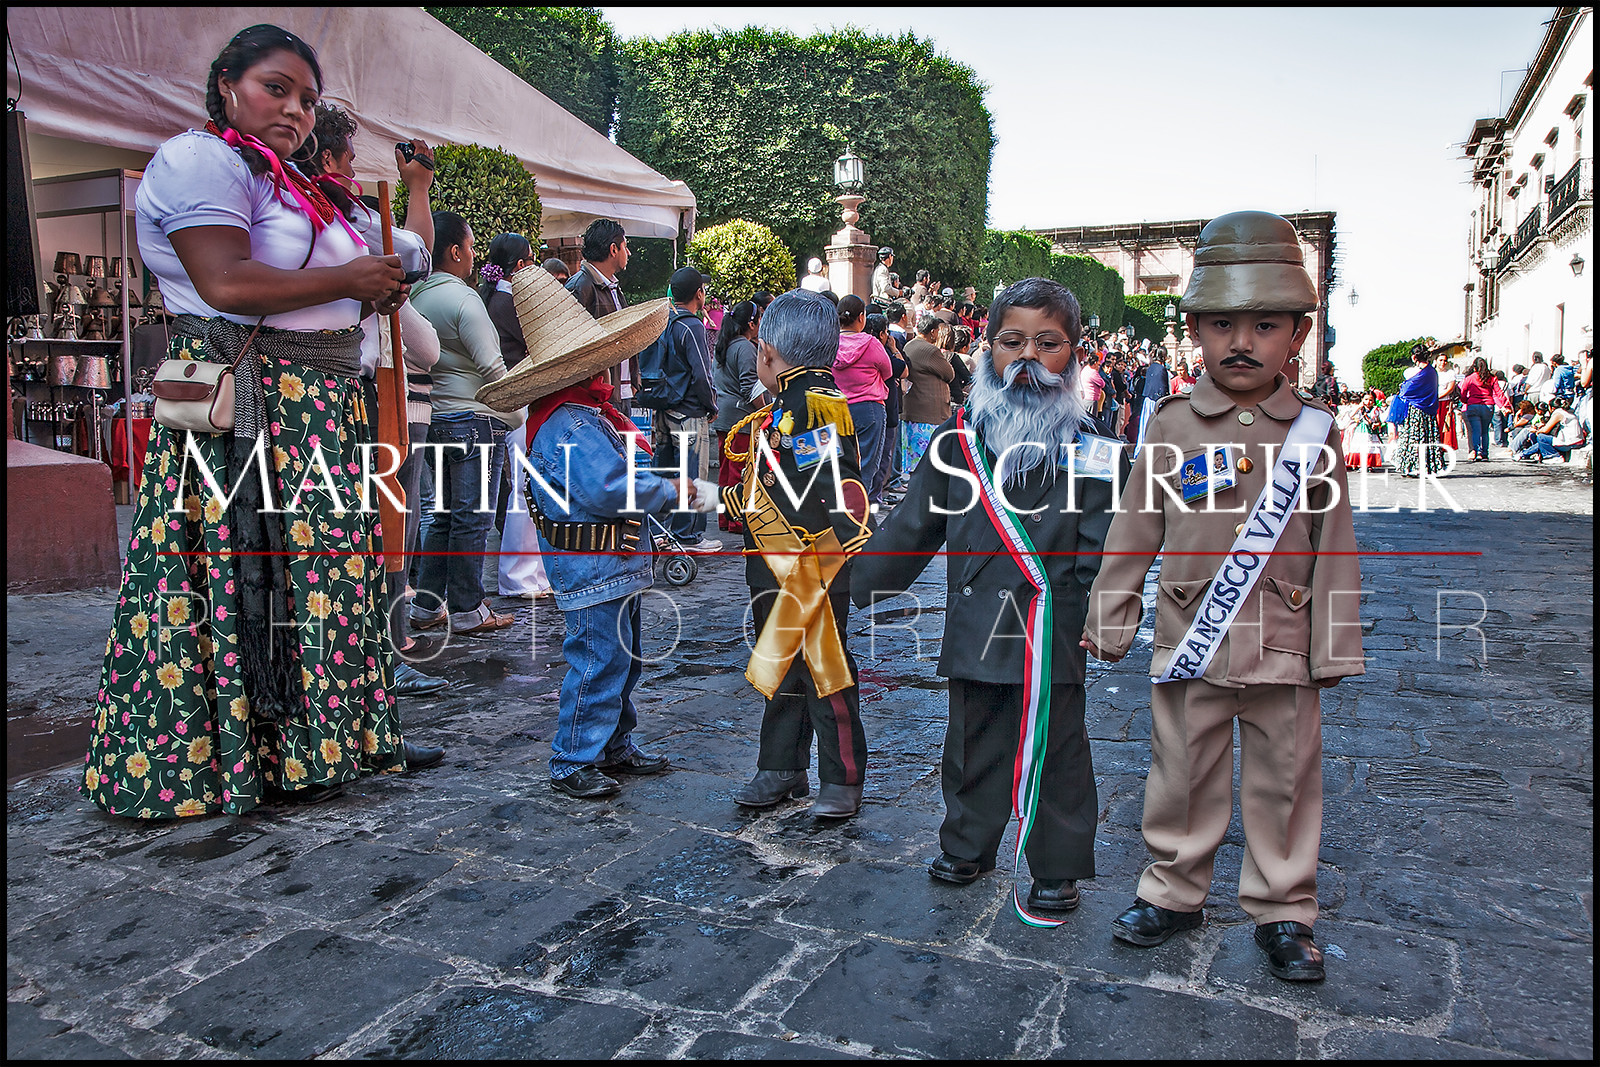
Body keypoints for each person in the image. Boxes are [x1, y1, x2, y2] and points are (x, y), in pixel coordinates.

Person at [83, 23, 415, 818]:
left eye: (307, 99)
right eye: (277, 88)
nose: (296, 110)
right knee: (250, 577)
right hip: (257, 406)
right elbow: (225, 282)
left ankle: (324, 746)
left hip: (318, 406)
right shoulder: (198, 160)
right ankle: (233, 760)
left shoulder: (285, 178)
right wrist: (351, 278)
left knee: (324, 581)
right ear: (227, 82)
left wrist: (372, 283)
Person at [1082, 210, 1364, 983]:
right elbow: (1134, 529)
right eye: (1221, 324)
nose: (1242, 341)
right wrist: (1111, 615)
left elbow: (1334, 543)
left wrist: (1334, 643)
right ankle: (1173, 890)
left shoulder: (1316, 433)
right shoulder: (1171, 425)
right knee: (1180, 771)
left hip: (1285, 641)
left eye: (1265, 325)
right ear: (1194, 331)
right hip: (1190, 635)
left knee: (1286, 779)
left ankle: (1284, 908)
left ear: (1298, 334)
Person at [853, 276, 1123, 923]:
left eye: (1048, 343)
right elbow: (911, 526)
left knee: (1059, 747)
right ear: (988, 350)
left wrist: (1100, 615)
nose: (1028, 357)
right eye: (1012, 341)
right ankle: (967, 843)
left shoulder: (1096, 452)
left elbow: (1104, 545)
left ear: (1075, 354)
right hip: (976, 618)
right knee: (971, 740)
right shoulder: (957, 442)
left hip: (1051, 623)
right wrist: (851, 584)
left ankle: (1056, 864)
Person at [474, 265, 691, 798]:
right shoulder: (573, 423)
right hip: (594, 568)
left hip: (608, 565)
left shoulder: (581, 416)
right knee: (600, 661)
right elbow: (610, 489)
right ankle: (573, 758)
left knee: (621, 660)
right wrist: (668, 490)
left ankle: (612, 743)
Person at [298, 102, 449, 710]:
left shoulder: (316, 208)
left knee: (368, 534)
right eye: (350, 159)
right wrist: (418, 189)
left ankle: (364, 665)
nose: (355, 170)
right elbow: (410, 255)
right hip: (337, 393)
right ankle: (378, 658)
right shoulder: (328, 213)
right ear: (328, 160)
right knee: (376, 533)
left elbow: (408, 258)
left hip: (322, 390)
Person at [722, 290, 873, 818]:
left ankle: (842, 775)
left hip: (812, 561)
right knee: (783, 662)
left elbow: (836, 488)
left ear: (767, 352)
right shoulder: (791, 403)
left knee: (825, 667)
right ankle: (781, 765)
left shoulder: (815, 404)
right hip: (772, 560)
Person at [408, 212, 523, 634]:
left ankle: (427, 606)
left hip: (433, 420)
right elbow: (492, 368)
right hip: (474, 422)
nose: (474, 255)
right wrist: (516, 414)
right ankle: (468, 608)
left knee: (442, 517)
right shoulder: (464, 299)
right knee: (473, 518)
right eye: (471, 247)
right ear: (455, 252)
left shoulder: (415, 299)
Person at [474, 234, 554, 601]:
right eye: (532, 259)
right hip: (516, 404)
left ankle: (530, 572)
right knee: (525, 489)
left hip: (517, 404)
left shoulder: (497, 299)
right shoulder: (507, 302)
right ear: (520, 265)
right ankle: (519, 575)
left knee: (527, 488)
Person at [652, 265, 721, 553]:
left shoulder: (664, 322)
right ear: (699, 294)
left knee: (665, 471)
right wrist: (711, 404)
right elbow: (702, 374)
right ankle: (688, 535)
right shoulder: (692, 326)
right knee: (693, 473)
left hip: (663, 407)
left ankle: (661, 531)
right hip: (689, 411)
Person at [832, 294, 893, 503]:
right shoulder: (871, 343)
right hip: (869, 408)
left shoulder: (830, 342)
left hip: (836, 408)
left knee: (839, 460)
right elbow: (888, 371)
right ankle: (859, 507)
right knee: (867, 463)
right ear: (861, 317)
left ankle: (838, 505)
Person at [712, 300, 763, 534]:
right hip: (741, 418)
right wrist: (764, 409)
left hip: (724, 415)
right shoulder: (744, 347)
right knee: (739, 470)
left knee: (725, 470)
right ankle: (736, 520)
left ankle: (724, 518)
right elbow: (749, 386)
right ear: (751, 324)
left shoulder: (724, 344)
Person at [566, 218, 630, 391]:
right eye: (625, 247)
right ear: (613, 249)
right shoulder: (580, 286)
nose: (628, 253)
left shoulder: (613, 286)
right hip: (599, 392)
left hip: (620, 390)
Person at [900, 313, 955, 474]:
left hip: (912, 409)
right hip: (928, 413)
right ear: (932, 332)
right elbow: (949, 374)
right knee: (927, 463)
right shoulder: (930, 351)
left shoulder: (909, 345)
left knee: (912, 461)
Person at [866, 311, 909, 501]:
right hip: (882, 408)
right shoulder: (880, 352)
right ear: (883, 334)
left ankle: (871, 496)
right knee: (881, 457)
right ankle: (875, 497)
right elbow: (903, 370)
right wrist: (894, 348)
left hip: (858, 407)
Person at [1394, 344, 1444, 477]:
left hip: (1414, 411)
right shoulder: (1432, 372)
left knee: (1412, 437)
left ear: (1414, 357)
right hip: (1428, 410)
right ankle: (1427, 466)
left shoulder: (1411, 372)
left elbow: (1405, 391)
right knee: (1427, 437)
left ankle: (1410, 466)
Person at [1515, 398, 1585, 462]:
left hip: (1570, 443)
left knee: (1541, 437)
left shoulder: (1558, 413)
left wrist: (1536, 431)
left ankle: (1553, 456)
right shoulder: (1569, 412)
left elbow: (1545, 430)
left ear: (1552, 408)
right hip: (1578, 441)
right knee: (1543, 439)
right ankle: (1523, 454)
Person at [1458, 355, 1497, 462]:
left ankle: (1475, 451)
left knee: (1475, 430)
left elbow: (1462, 392)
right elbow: (1498, 392)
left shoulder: (1470, 378)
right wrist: (1505, 406)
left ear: (1474, 367)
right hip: (1488, 405)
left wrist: (1465, 401)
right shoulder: (1492, 378)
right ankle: (1484, 453)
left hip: (1473, 405)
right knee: (1485, 431)